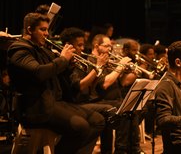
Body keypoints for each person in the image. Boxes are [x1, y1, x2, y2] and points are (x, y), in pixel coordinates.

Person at [7, 12, 105, 154]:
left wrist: (69, 65)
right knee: (81, 127)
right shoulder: (20, 49)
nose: (47, 34)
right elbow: (39, 73)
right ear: (29, 30)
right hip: (36, 107)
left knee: (98, 120)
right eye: (42, 29)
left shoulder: (43, 50)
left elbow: (57, 75)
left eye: (47, 29)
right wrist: (63, 60)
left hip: (54, 102)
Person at [59, 27, 117, 154]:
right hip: (74, 104)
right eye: (79, 45)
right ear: (68, 46)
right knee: (108, 111)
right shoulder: (66, 61)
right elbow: (79, 86)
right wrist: (97, 68)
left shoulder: (78, 60)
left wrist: (98, 70)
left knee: (108, 112)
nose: (83, 48)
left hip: (84, 100)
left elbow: (93, 86)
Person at [88, 34, 145, 154]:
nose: (110, 49)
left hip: (115, 99)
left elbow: (123, 82)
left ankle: (134, 148)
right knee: (125, 110)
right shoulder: (92, 60)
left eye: (110, 46)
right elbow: (105, 84)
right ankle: (122, 150)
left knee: (135, 107)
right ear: (96, 46)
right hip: (101, 100)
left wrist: (131, 70)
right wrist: (120, 66)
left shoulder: (108, 61)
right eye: (106, 46)